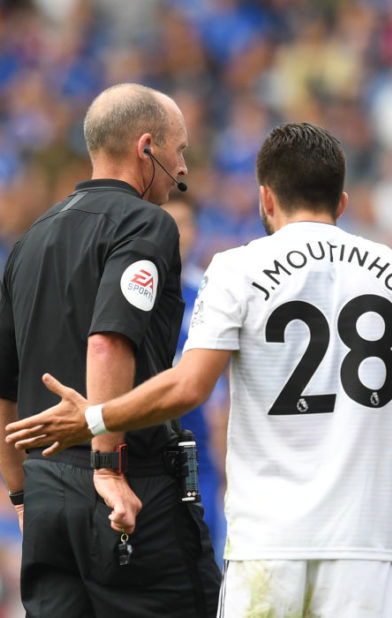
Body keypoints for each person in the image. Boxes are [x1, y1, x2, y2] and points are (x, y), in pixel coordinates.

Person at [5, 122, 392, 616]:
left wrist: (96, 416)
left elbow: (189, 386)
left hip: (267, 548)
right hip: (361, 552)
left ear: (266, 199)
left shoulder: (234, 269)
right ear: (340, 201)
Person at [0, 83, 221, 617]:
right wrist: (108, 468)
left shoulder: (33, 236)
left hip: (47, 497)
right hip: (129, 487)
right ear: (146, 146)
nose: (183, 171)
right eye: (180, 152)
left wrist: (22, 497)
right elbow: (108, 342)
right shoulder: (147, 223)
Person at [161, 193, 228, 566]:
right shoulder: (125, 294)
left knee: (199, 556)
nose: (177, 236)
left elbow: (224, 382)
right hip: (138, 444)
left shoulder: (210, 293)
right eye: (167, 226)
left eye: (184, 225)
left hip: (193, 449)